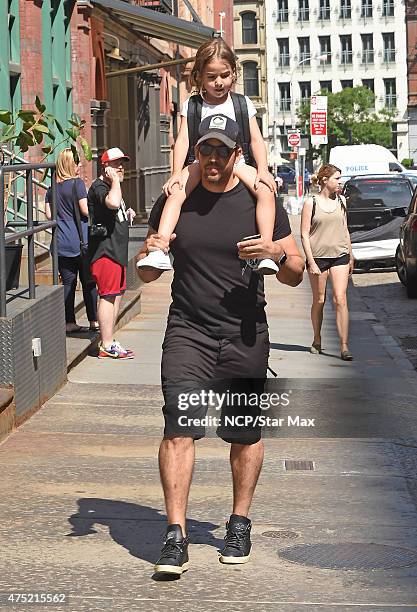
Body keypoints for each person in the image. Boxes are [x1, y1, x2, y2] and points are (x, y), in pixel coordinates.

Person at [137, 116, 304, 575]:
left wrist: (273, 253)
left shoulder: (257, 198)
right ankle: (175, 535)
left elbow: (295, 271)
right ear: (197, 154)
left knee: (244, 433)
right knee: (179, 427)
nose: (212, 159)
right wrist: (150, 252)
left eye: (221, 151)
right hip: (188, 329)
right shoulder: (177, 197)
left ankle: (239, 522)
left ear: (236, 155)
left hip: (245, 331)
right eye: (205, 150)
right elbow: (148, 272)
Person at [137, 38, 278, 276]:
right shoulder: (192, 105)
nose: (219, 82)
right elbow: (181, 140)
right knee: (176, 193)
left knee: (265, 191)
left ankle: (264, 247)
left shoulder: (242, 104)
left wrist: (263, 170)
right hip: (198, 161)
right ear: (200, 75)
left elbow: (256, 139)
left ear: (234, 73)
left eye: (224, 75)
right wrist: (175, 174)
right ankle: (159, 249)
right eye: (212, 77)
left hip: (238, 161)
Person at [300, 163, 354, 361]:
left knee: (340, 299)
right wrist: (311, 262)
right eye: (337, 179)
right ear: (325, 180)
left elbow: (345, 229)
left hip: (340, 255)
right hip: (318, 257)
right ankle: (317, 337)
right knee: (320, 300)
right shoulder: (310, 203)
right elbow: (304, 234)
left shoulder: (342, 201)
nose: (340, 182)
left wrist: (351, 254)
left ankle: (344, 346)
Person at [87, 147, 136, 359]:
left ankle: (110, 339)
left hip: (117, 252)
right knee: (107, 296)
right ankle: (106, 344)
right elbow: (112, 203)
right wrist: (114, 181)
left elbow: (117, 209)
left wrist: (128, 213)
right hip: (105, 253)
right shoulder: (100, 187)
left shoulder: (112, 186)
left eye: (122, 163)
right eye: (116, 164)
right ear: (105, 166)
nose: (120, 168)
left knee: (116, 295)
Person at [45, 148, 98, 334]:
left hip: (60, 243)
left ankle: (69, 322)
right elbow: (84, 210)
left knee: (68, 283)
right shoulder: (77, 185)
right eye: (77, 162)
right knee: (89, 282)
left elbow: (49, 214)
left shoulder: (51, 187)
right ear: (70, 165)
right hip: (79, 242)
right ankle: (93, 321)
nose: (80, 165)